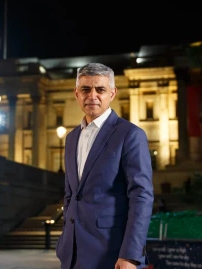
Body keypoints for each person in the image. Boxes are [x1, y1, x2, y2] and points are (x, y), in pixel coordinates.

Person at [55, 63, 154, 269]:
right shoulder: (72, 138)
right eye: (85, 89)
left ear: (112, 93)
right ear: (76, 93)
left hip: (113, 254)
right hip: (72, 255)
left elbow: (141, 196)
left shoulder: (130, 134)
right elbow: (71, 194)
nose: (92, 95)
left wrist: (131, 255)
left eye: (100, 89)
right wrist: (65, 240)